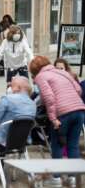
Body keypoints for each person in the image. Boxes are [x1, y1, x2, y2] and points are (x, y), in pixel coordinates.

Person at [29, 56, 85, 186]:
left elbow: (48, 97)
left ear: (35, 70)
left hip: (62, 114)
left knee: (57, 145)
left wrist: (53, 119)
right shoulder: (62, 72)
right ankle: (72, 178)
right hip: (79, 110)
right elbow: (78, 89)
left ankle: (56, 178)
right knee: (73, 145)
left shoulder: (41, 77)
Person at [0, 76, 36, 151]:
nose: (10, 88)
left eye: (11, 86)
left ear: (18, 87)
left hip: (1, 141)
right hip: (23, 142)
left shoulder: (7, 99)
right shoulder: (33, 104)